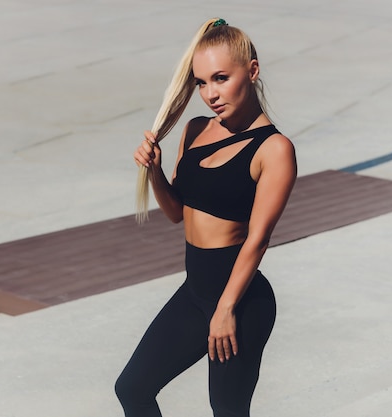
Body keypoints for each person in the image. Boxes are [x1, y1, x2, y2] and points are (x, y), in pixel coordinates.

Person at [116, 17, 297, 417]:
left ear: (251, 71)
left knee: (228, 413)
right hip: (195, 292)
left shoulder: (274, 149)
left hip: (241, 302)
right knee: (132, 389)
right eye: (201, 82)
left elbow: (259, 238)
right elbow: (177, 214)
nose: (210, 93)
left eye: (220, 78)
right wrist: (155, 170)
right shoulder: (196, 130)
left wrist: (226, 308)